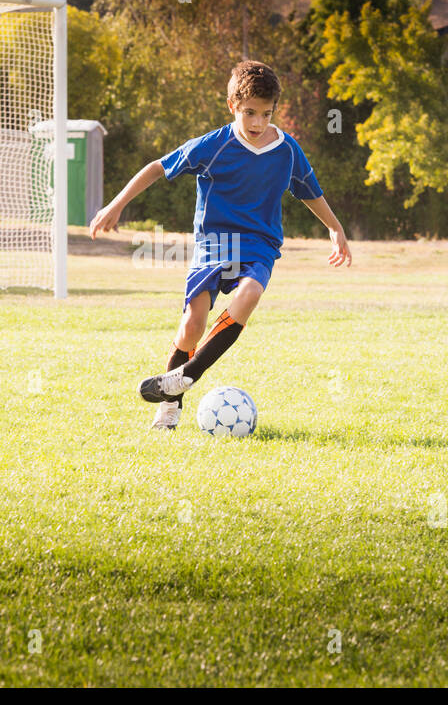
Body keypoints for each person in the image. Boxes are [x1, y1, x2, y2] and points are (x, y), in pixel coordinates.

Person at [89, 60, 352, 430]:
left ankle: (186, 376)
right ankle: (168, 410)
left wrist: (335, 229)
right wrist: (115, 205)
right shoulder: (213, 145)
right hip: (214, 243)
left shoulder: (287, 149)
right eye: (249, 113)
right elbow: (157, 168)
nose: (258, 123)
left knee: (250, 293)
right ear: (233, 106)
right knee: (192, 326)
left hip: (259, 244)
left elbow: (310, 191)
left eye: (266, 113)